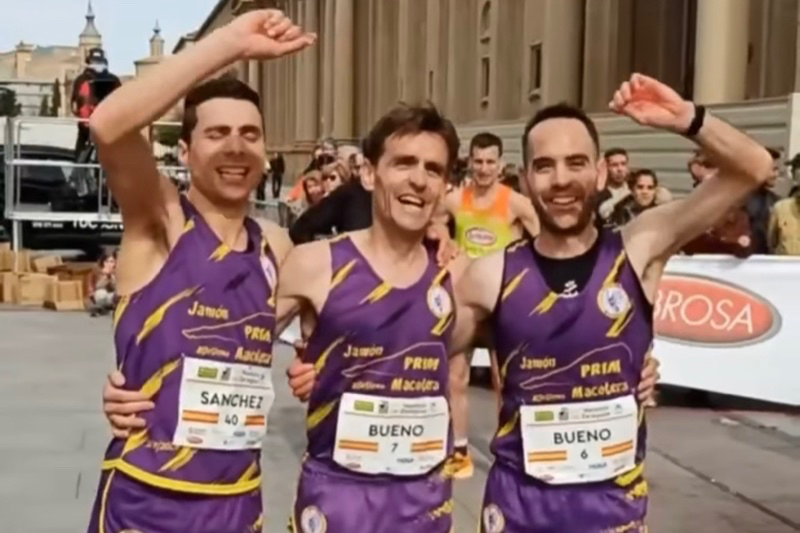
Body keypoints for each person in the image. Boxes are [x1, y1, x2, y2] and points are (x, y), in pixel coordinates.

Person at [452, 74, 771, 532]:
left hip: (611, 512)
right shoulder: (490, 275)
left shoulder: (639, 247)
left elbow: (754, 168)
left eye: (576, 163)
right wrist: (318, 370)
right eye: (544, 166)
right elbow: (408, 353)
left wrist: (687, 119)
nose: (561, 179)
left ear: (600, 172)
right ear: (524, 179)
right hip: (518, 510)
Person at [84, 9, 315, 533]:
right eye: (218, 134)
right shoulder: (159, 221)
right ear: (184, 151)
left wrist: (318, 365)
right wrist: (230, 43)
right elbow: (107, 124)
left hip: (238, 504)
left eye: (250, 134)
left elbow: (357, 300)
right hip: (147, 503)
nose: (236, 147)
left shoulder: (278, 247)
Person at [276, 103, 462, 533]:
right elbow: (233, 344)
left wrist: (634, 366)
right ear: (369, 173)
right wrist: (140, 383)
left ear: (445, 186)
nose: (419, 178)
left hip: (426, 508)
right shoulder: (314, 264)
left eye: (433, 169)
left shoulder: (460, 273)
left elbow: (550, 340)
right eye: (404, 163)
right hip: (337, 504)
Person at [438, 132, 540, 479]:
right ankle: (460, 451)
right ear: (469, 161)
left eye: (490, 162)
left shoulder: (515, 203)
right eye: (478, 161)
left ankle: (511, 450)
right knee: (455, 377)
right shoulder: (455, 200)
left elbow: (546, 237)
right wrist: (444, 237)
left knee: (505, 380)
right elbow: (431, 217)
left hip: (502, 301)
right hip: (466, 302)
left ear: (501, 164)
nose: (483, 169)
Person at [71, 47, 121, 160]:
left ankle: (79, 171)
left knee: (80, 157)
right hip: (109, 126)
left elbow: (75, 104)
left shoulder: (82, 79)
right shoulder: (114, 80)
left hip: (87, 125)